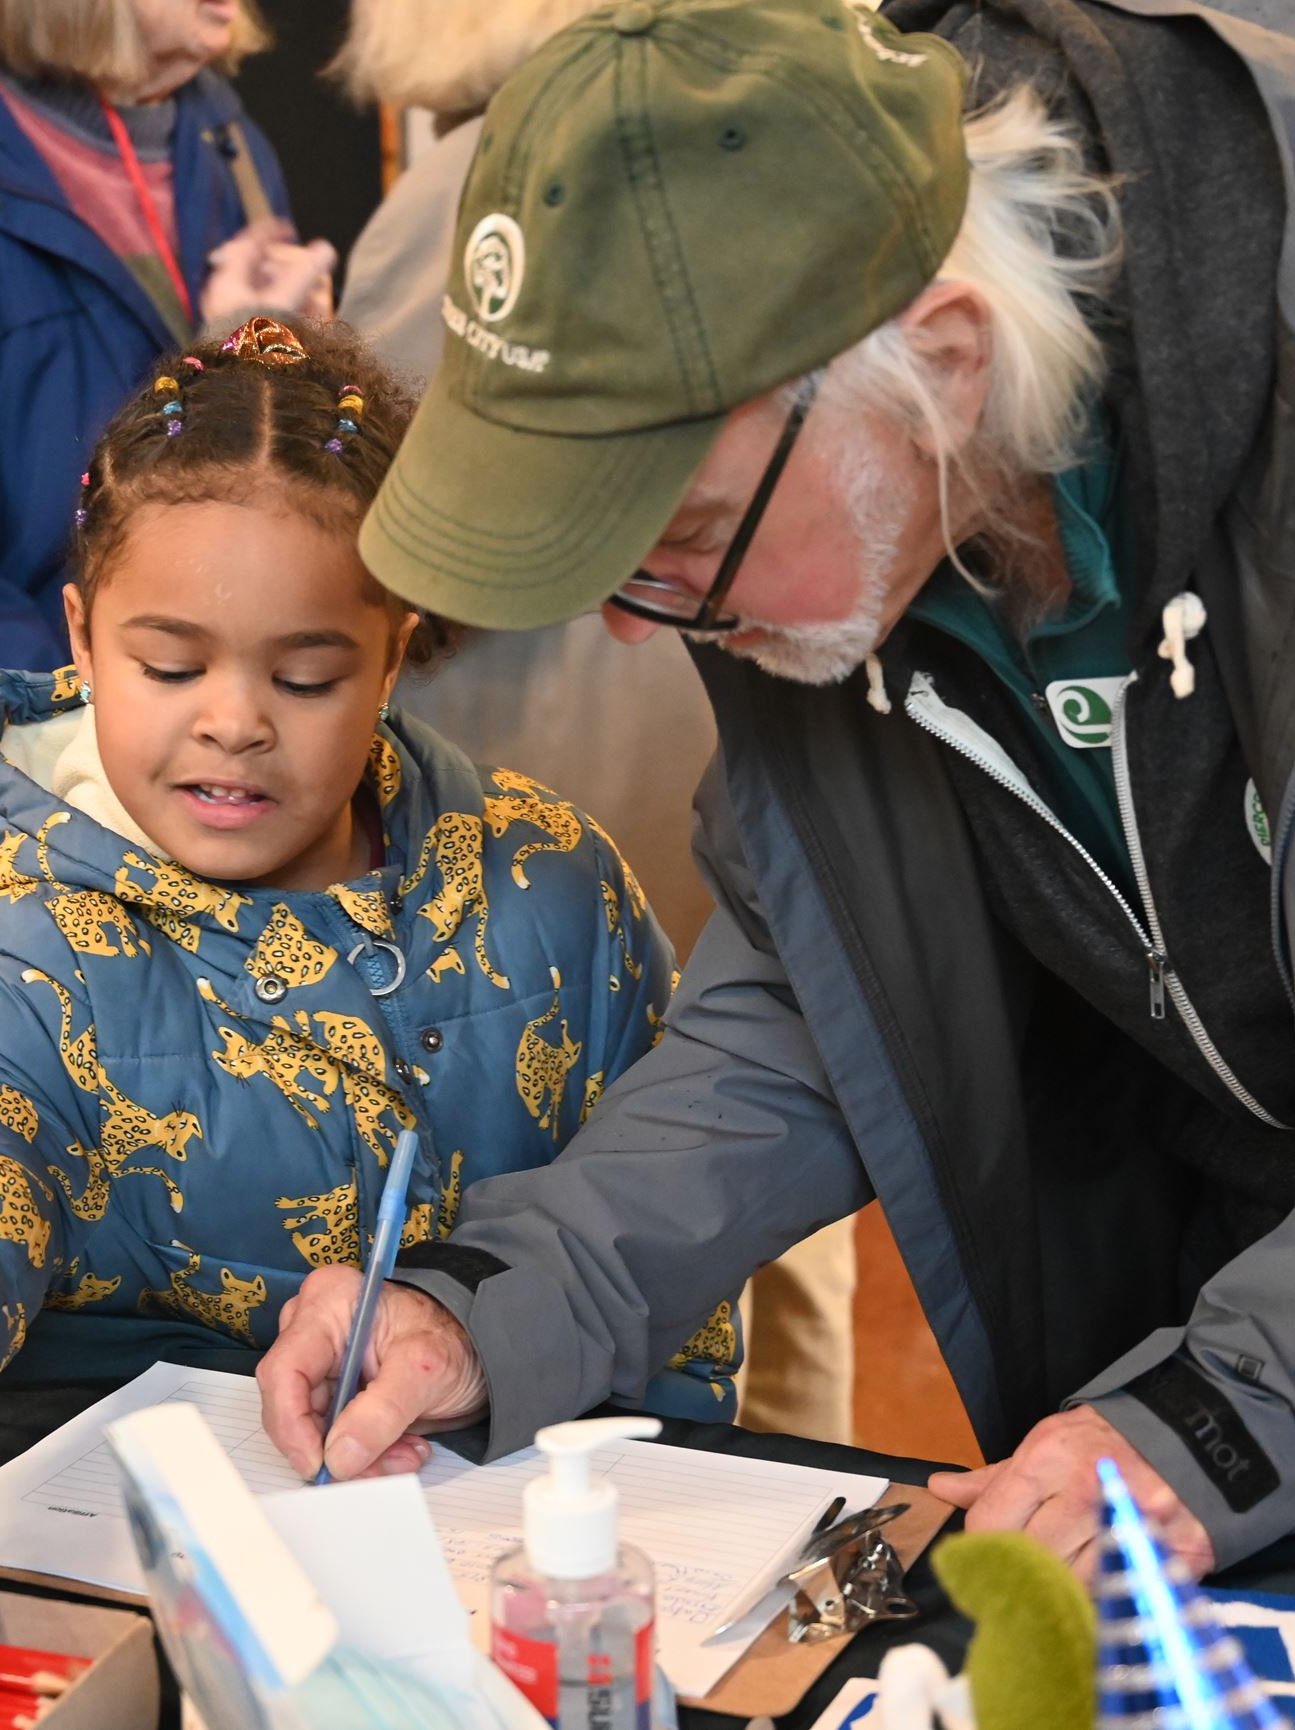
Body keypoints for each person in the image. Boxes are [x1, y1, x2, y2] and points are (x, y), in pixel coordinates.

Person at [259, 0, 1295, 1601]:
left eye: (673, 532)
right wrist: (501, 1297)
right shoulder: (842, 518)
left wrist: (1222, 1420)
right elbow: (809, 1011)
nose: (622, 621)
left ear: (943, 358)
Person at [0, 318, 734, 1730]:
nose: (234, 721)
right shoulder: (46, 951)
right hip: (158, 1632)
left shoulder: (556, 888)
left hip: (527, 1619)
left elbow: (676, 1256)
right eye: (170, 665)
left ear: (397, 649)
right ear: (79, 637)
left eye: (305, 676)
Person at [329, 0, 862, 1444]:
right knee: (778, 1211)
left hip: (553, 807)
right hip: (721, 809)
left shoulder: (453, 213)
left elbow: (384, 539)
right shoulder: (749, 186)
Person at [0, 0, 339, 928]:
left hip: (241, 762)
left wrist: (270, 353)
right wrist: (103, 764)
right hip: (59, 804)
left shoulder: (223, 142)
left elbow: (236, 472)